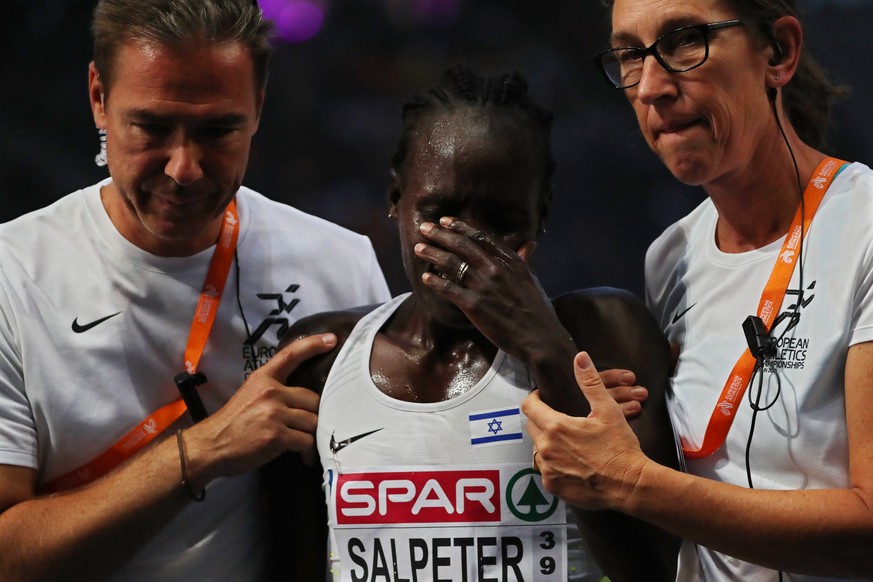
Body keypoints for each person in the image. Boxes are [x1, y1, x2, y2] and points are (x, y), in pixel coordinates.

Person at [0, 1, 391, 579]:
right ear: (98, 98)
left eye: (217, 130)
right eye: (153, 127)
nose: (184, 168)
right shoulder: (11, 274)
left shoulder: (340, 263)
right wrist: (205, 451)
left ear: (258, 107)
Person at [264, 63, 681, 582]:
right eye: (440, 216)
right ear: (396, 198)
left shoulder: (602, 331)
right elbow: (287, 564)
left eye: (502, 223)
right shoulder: (320, 357)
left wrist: (548, 354)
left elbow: (654, 568)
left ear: (541, 212)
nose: (468, 253)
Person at [523, 0, 873, 580]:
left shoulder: (863, 227)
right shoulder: (671, 257)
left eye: (685, 39)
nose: (651, 87)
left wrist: (630, 480)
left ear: (779, 52)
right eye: (630, 55)